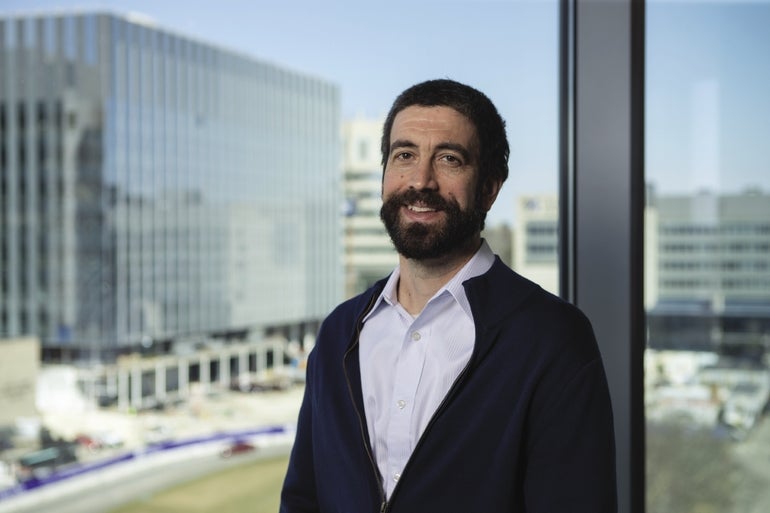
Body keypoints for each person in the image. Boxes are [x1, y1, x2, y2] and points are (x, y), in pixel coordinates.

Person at [280, 79, 617, 513]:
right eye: (404, 156)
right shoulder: (339, 333)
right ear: (384, 174)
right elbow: (303, 499)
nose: (421, 181)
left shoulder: (552, 338)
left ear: (490, 187)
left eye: (449, 159)